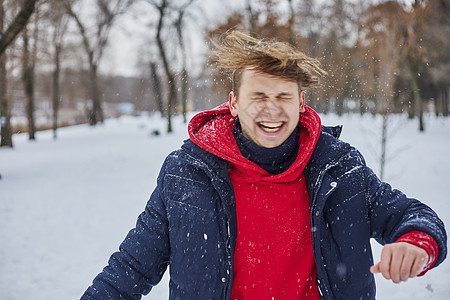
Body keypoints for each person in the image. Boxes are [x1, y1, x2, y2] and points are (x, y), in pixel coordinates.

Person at [81, 31, 447, 300]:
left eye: (283, 97)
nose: (271, 109)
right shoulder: (187, 172)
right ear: (233, 102)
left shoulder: (338, 168)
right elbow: (131, 268)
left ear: (301, 102)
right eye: (258, 96)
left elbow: (414, 216)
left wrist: (417, 243)